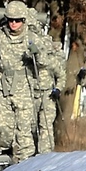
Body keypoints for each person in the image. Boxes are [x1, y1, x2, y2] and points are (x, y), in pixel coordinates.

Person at [0, 1, 41, 170]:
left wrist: (37, 55)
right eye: (10, 19)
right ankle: (5, 154)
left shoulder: (32, 37)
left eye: (18, 20)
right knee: (3, 129)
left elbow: (45, 63)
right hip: (2, 85)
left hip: (24, 86)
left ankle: (26, 165)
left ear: (24, 20)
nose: (13, 23)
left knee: (25, 130)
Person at [28, 8, 65, 154]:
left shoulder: (49, 55)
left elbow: (61, 74)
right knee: (30, 127)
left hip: (48, 94)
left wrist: (58, 89)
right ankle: (29, 157)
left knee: (46, 127)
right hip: (30, 92)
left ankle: (45, 158)